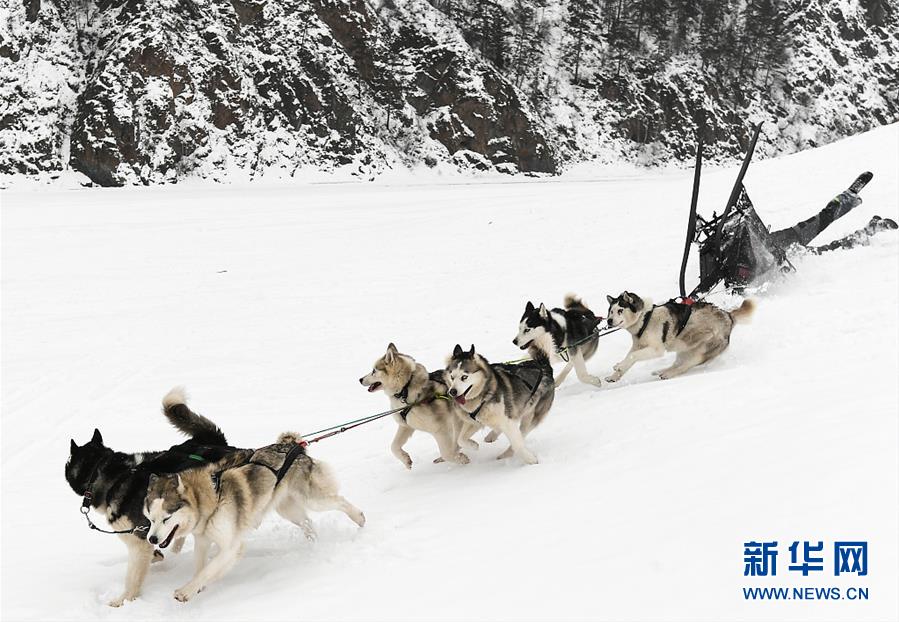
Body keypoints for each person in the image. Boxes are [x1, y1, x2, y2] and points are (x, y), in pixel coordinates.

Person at [694, 172, 897, 295]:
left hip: (775, 242)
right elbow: (719, 285)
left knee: (819, 220)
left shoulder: (732, 249)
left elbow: (745, 223)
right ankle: (869, 231)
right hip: (785, 256)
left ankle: (848, 196)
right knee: (830, 250)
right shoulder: (731, 274)